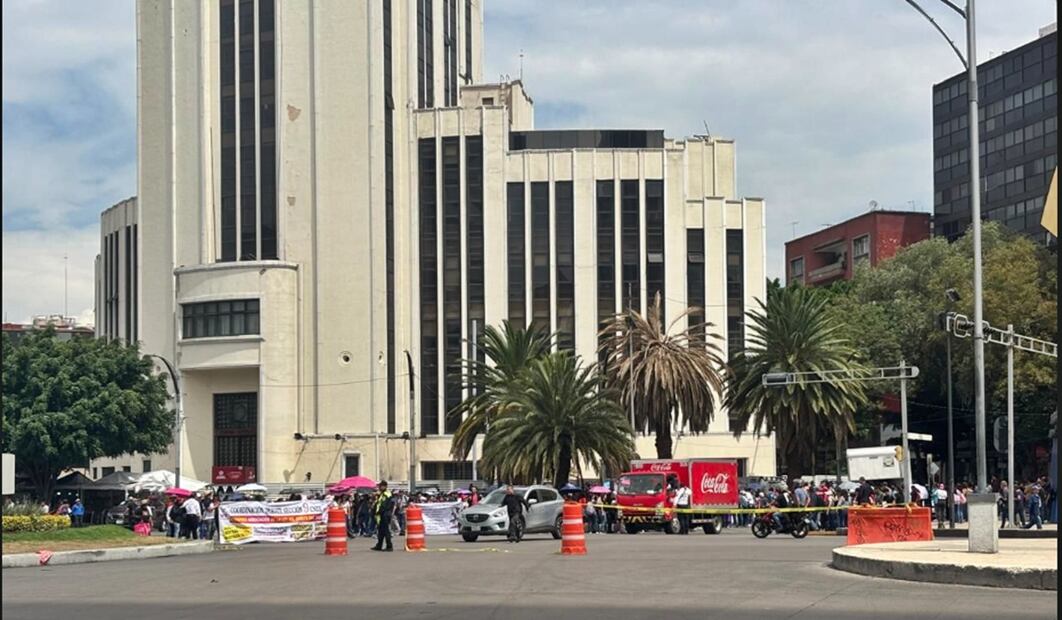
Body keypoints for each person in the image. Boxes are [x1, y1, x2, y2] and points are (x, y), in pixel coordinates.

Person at [370, 481, 395, 552]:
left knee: (386, 531)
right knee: (381, 531)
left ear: (384, 486)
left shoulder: (387, 494)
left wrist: (378, 512)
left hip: (385, 514)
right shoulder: (382, 494)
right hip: (381, 515)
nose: (379, 487)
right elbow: (378, 504)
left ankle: (389, 546)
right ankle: (379, 545)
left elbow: (384, 505)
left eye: (380, 486)